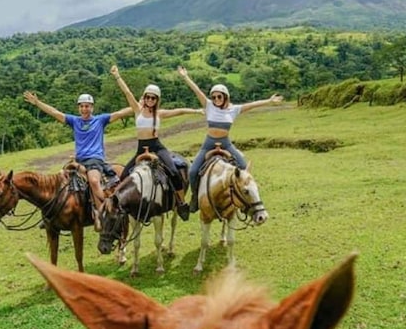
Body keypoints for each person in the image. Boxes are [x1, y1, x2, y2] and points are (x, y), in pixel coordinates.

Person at [177, 65, 284, 212]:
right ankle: (195, 197)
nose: (216, 99)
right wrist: (185, 76)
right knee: (193, 171)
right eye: (214, 97)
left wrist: (269, 101)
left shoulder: (233, 110)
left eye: (219, 96)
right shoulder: (208, 106)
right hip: (208, 144)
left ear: (225, 96)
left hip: (226, 144)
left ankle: (243, 199)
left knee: (243, 167)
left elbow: (251, 105)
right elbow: (196, 90)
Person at [23, 90, 132, 230]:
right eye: (81, 106)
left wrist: (139, 105)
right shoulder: (75, 121)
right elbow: (56, 113)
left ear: (92, 107)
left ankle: (104, 212)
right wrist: (38, 103)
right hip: (78, 160)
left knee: (93, 181)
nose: (84, 109)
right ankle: (50, 215)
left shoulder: (100, 120)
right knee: (58, 180)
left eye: (87, 106)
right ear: (78, 108)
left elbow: (121, 113)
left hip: (94, 159)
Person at [110, 65, 199, 221]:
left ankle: (181, 203)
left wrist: (196, 111)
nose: (150, 100)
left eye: (153, 98)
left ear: (157, 100)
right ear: (144, 97)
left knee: (173, 171)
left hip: (157, 147)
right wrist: (117, 76)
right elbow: (127, 93)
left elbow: (180, 111)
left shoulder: (160, 113)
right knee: (124, 175)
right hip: (141, 148)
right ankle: (120, 206)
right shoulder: (137, 109)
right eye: (148, 97)